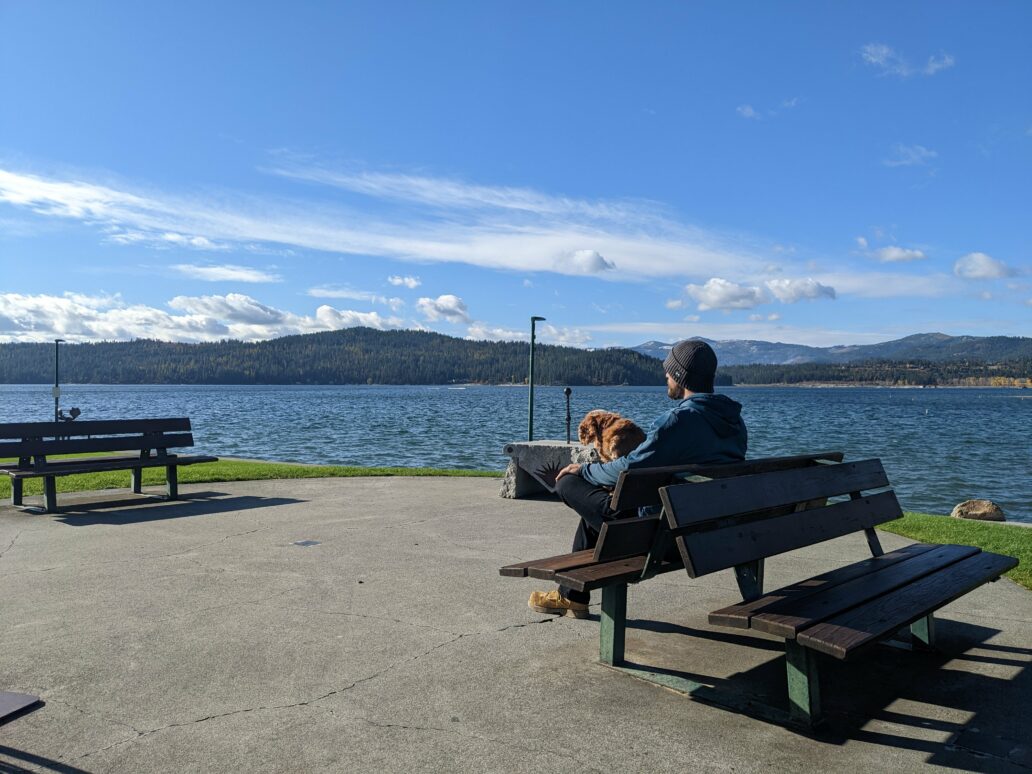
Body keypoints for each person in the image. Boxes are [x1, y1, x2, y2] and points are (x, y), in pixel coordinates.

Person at [527, 339, 748, 618]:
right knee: (595, 514)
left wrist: (583, 470)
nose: (666, 377)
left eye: (669, 371)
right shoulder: (734, 422)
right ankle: (572, 597)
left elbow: (630, 467)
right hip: (713, 533)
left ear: (680, 376)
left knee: (567, 483)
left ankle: (571, 596)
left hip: (663, 539)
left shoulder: (679, 421)